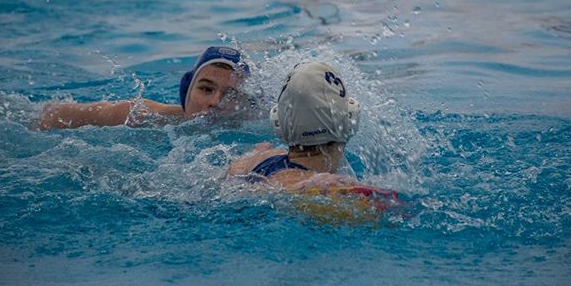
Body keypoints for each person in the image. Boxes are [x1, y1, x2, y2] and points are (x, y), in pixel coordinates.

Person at [228, 61, 364, 191]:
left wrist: (256, 153)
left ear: (278, 123)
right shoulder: (319, 184)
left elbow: (243, 175)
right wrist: (306, 186)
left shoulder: (265, 157)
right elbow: (282, 186)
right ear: (351, 118)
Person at [38, 46, 249, 129]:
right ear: (187, 91)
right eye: (206, 89)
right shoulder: (144, 115)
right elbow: (54, 114)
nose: (215, 102)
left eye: (230, 95)